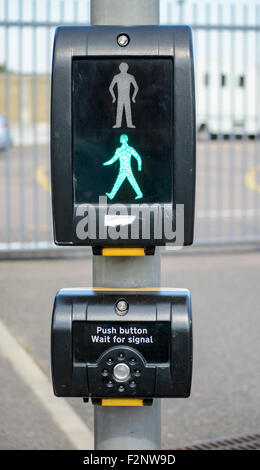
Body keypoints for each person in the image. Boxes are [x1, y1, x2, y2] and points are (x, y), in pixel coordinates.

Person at [103, 134, 143, 200]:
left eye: (121, 138)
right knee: (122, 182)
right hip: (123, 170)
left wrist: (139, 167)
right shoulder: (120, 150)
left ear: (123, 140)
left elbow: (138, 157)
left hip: (126, 170)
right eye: (121, 138)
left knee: (125, 182)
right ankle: (139, 194)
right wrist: (106, 163)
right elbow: (113, 160)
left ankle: (139, 194)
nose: (121, 139)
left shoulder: (128, 149)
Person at [109, 63, 139, 128]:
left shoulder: (130, 77)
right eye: (122, 67)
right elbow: (110, 87)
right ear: (120, 68)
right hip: (120, 97)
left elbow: (136, 87)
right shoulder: (116, 77)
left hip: (127, 97)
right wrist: (114, 97)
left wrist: (133, 97)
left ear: (127, 68)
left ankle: (129, 124)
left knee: (128, 110)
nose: (123, 68)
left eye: (125, 67)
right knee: (119, 110)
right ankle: (118, 124)